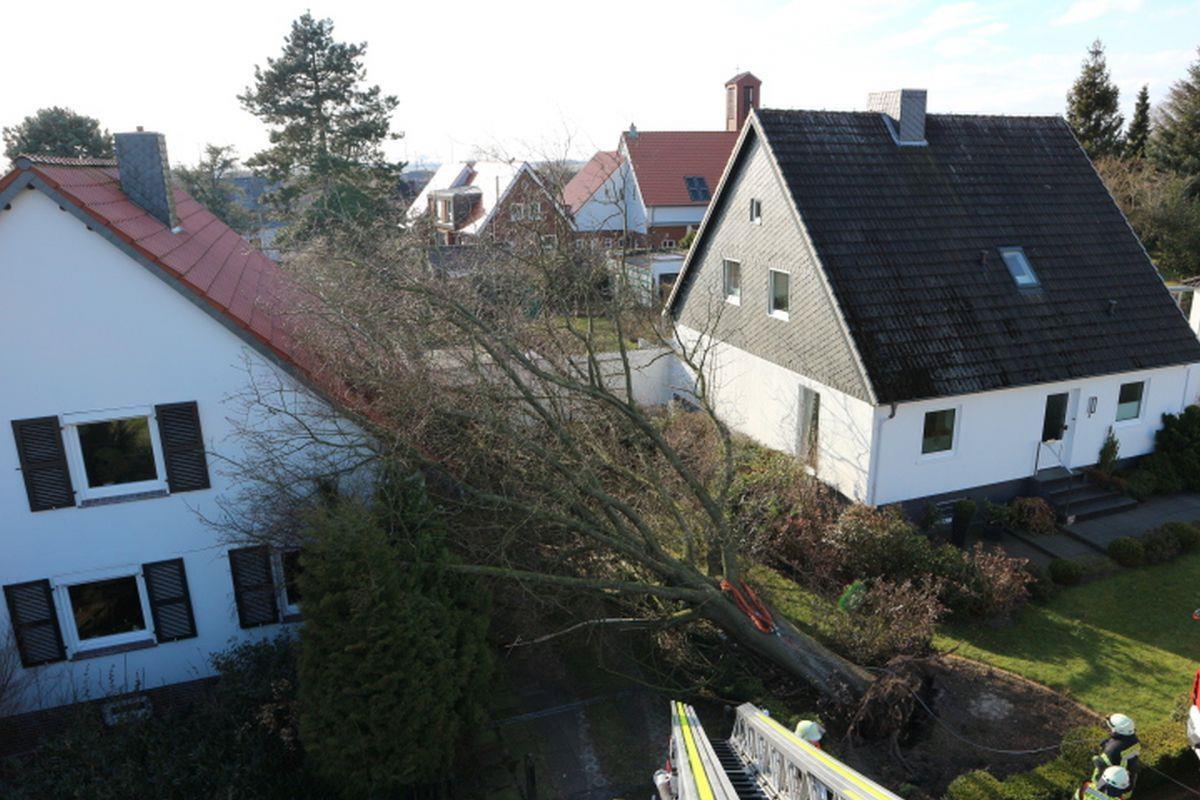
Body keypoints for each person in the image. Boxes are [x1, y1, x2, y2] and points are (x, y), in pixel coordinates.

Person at [1092, 714, 1140, 788]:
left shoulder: (1112, 750)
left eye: (1111, 728)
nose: (1110, 729)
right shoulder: (1135, 740)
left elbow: (1100, 764)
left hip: (1109, 783)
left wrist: (1095, 754)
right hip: (1128, 780)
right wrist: (1110, 741)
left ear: (1117, 730)